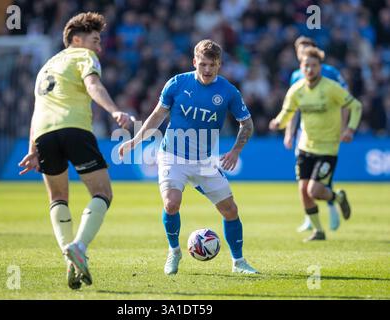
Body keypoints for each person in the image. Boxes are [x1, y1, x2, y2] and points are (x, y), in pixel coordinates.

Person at [119, 39, 258, 275]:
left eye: (212, 65)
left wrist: (236, 151)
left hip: (204, 160)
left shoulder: (228, 91)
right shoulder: (177, 83)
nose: (206, 70)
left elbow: (247, 124)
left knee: (230, 210)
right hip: (172, 156)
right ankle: (174, 252)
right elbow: (157, 115)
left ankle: (239, 262)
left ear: (219, 65)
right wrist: (135, 140)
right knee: (171, 203)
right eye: (202, 64)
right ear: (194, 62)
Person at [18, 12, 132, 289]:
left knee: (57, 197)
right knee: (103, 193)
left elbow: (37, 111)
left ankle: (70, 259)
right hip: (74, 129)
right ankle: (79, 246)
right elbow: (93, 84)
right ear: (76, 39)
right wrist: (114, 110)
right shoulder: (83, 56)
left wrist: (33, 148)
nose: (99, 47)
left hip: (44, 134)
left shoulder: (46, 67)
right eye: (95, 40)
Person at [269, 46, 362, 242]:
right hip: (305, 146)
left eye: (313, 65)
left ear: (320, 66)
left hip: (328, 148)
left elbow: (356, 106)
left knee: (315, 191)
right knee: (303, 191)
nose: (310, 69)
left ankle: (337, 198)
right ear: (301, 68)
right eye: (306, 66)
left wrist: (350, 129)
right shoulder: (296, 90)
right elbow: (287, 113)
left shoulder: (331, 88)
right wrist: (278, 122)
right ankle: (318, 231)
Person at [285, 36, 349, 233]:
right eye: (300, 51)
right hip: (305, 134)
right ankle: (310, 219)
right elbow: (293, 108)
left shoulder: (330, 73)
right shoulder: (296, 75)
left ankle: (332, 207)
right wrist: (289, 131)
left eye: (307, 49)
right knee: (304, 181)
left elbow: (345, 100)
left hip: (327, 131)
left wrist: (343, 127)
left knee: (320, 180)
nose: (304, 53)